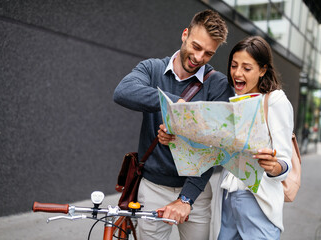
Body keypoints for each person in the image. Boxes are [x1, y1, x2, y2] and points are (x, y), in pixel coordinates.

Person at [158, 36, 294, 239]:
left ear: (263, 70)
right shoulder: (233, 101)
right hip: (229, 199)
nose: (237, 73)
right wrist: (177, 136)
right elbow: (215, 151)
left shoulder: (275, 101)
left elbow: (285, 161)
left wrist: (275, 167)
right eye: (234, 66)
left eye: (247, 68)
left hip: (258, 202)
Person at [113, 10, 233, 240]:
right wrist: (173, 105)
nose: (199, 57)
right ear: (185, 34)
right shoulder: (152, 69)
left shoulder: (217, 85)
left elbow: (216, 146)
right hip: (152, 188)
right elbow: (122, 92)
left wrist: (186, 198)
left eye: (208, 53)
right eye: (196, 47)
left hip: (195, 192)